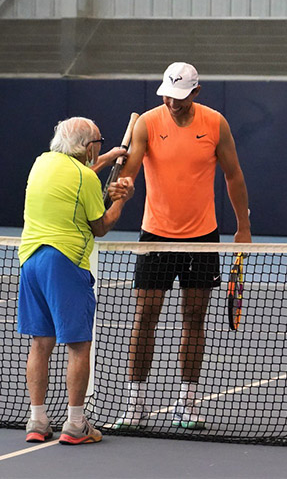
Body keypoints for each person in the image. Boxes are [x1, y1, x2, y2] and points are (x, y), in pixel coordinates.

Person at [109, 62, 251, 430]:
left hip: (202, 238)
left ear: (196, 93)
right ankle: (135, 403)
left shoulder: (215, 124)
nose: (173, 103)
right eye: (168, 95)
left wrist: (243, 226)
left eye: (181, 97)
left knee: (194, 319)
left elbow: (233, 175)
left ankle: (187, 402)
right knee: (145, 317)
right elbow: (130, 171)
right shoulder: (148, 123)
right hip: (155, 234)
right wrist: (120, 193)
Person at [18, 116, 134, 445]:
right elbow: (100, 226)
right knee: (79, 346)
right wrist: (121, 199)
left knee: (41, 343)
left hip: (30, 260)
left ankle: (37, 421)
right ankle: (75, 424)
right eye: (97, 143)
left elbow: (76, 176)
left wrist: (109, 158)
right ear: (86, 147)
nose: (98, 147)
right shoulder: (84, 176)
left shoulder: (42, 163)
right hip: (66, 262)